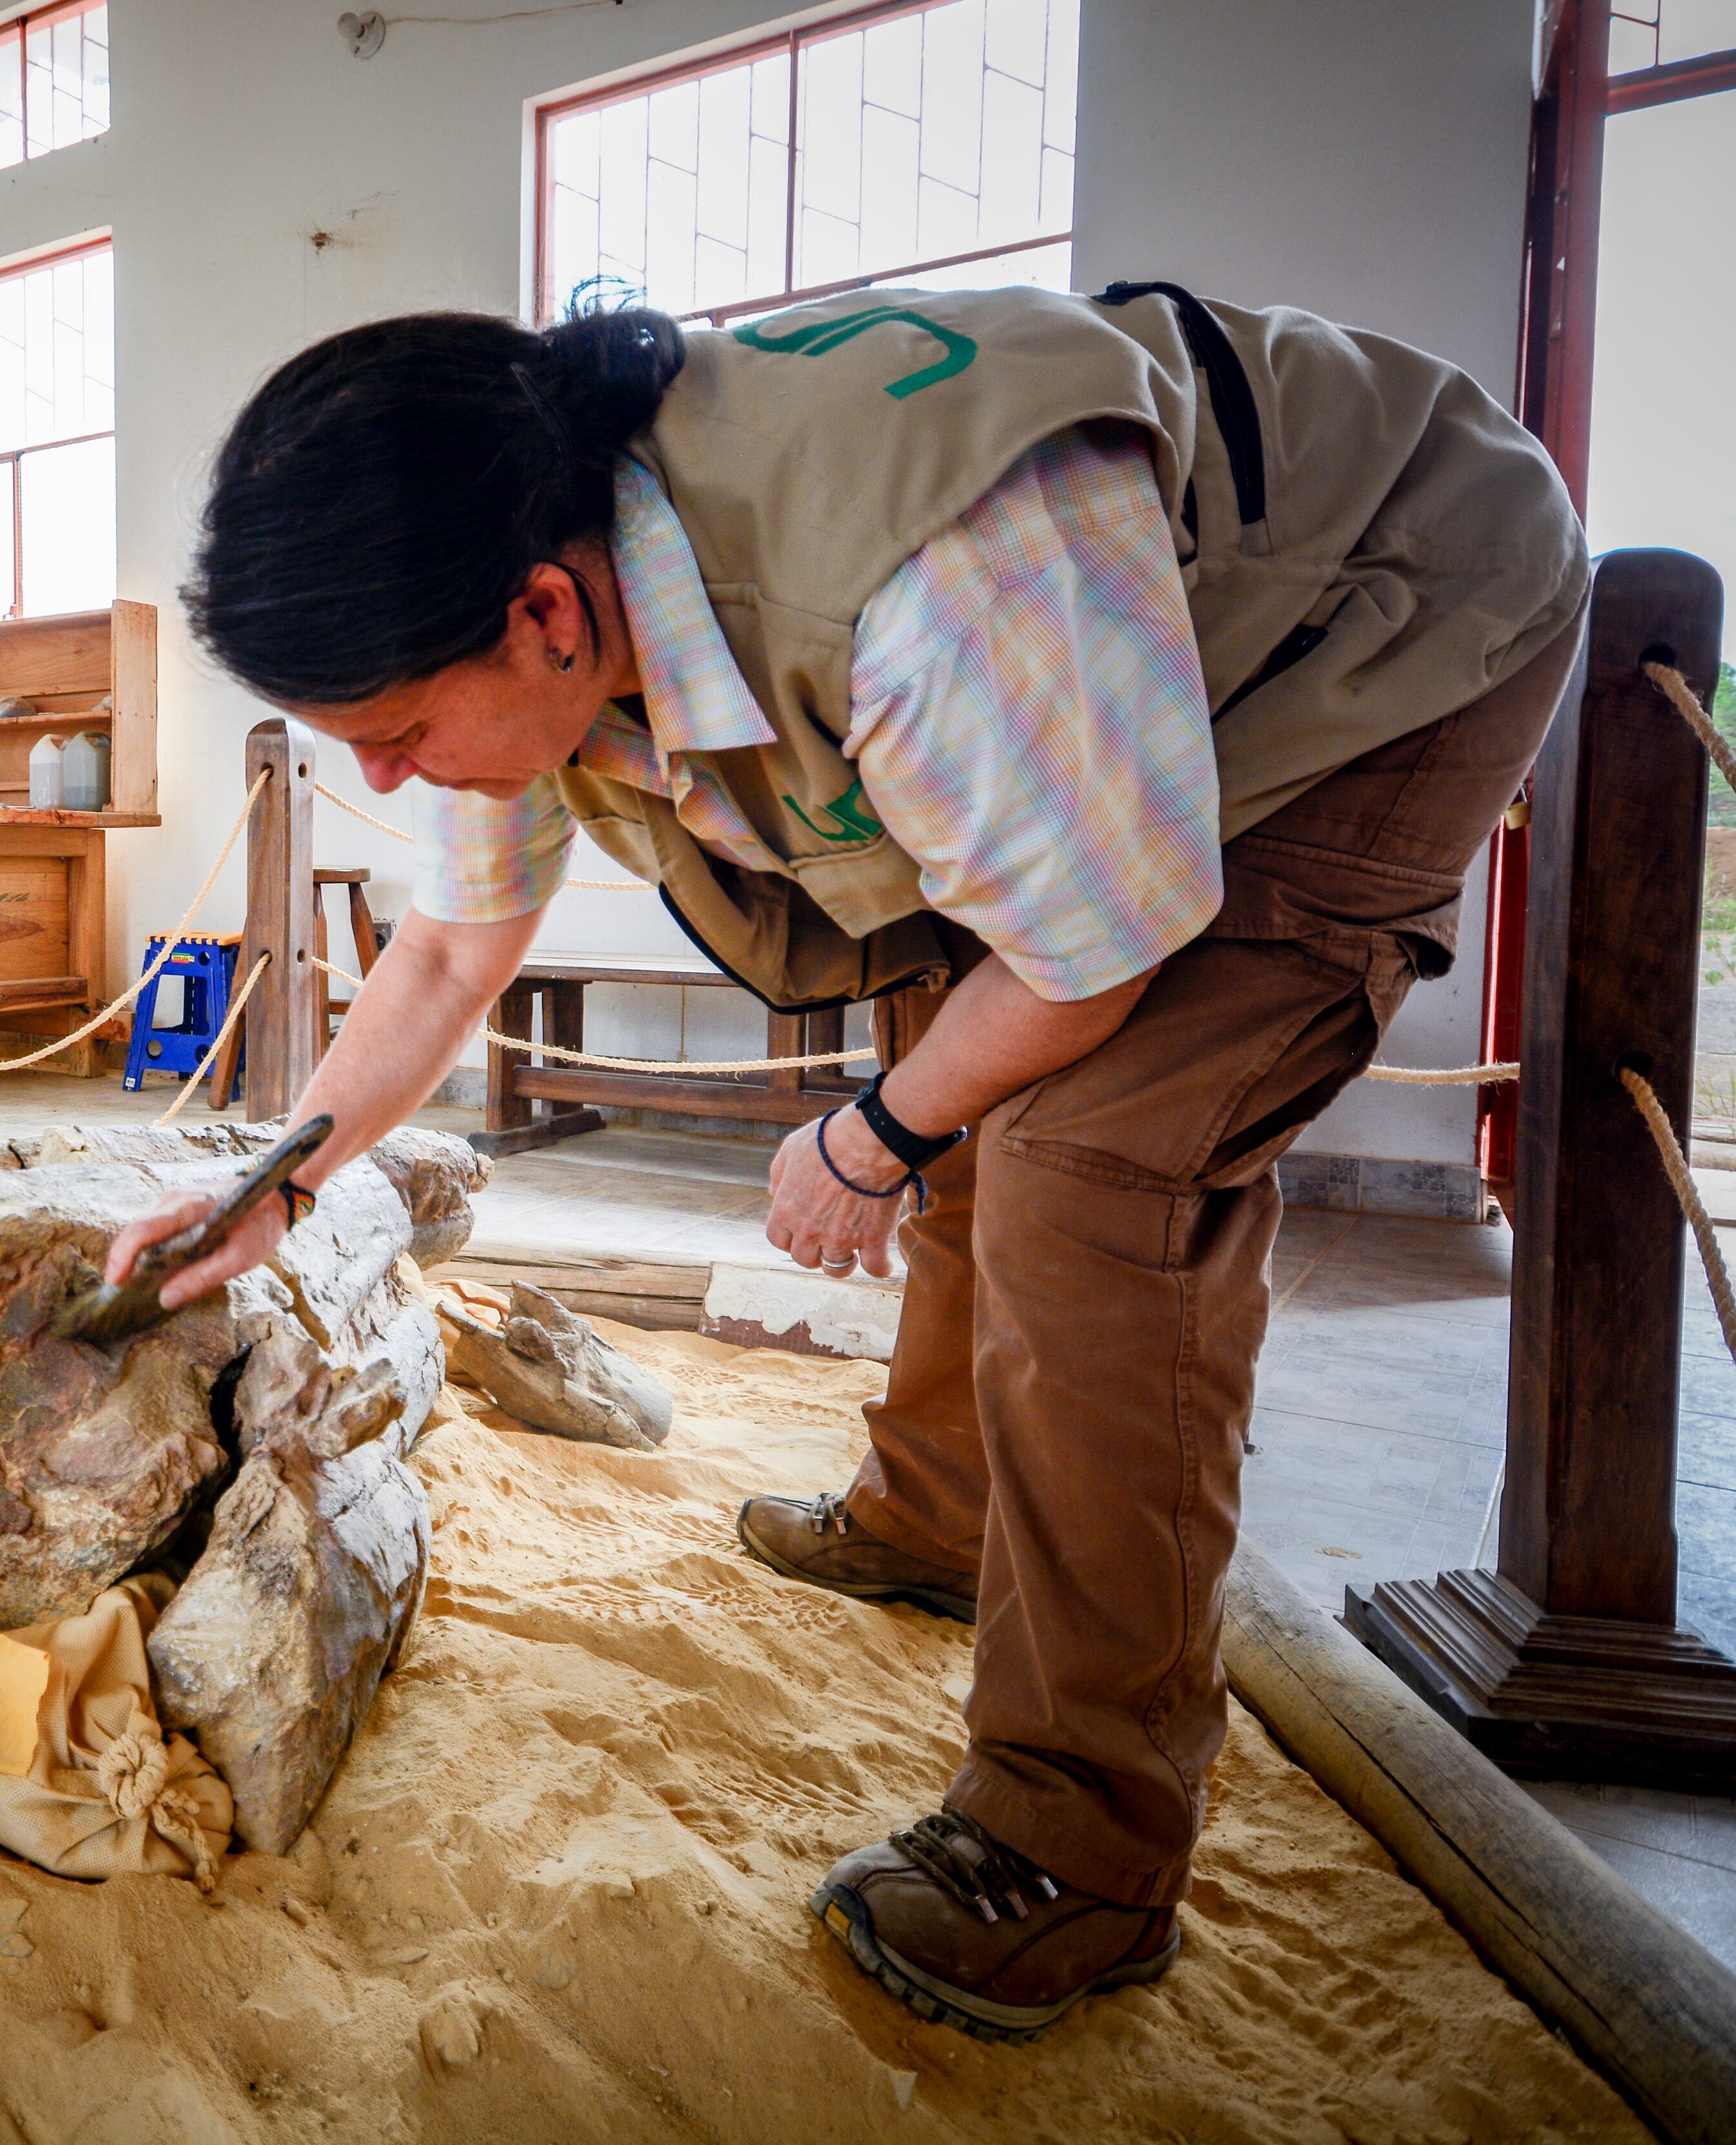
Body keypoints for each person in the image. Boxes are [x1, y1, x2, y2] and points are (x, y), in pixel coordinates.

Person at [105, 285, 1587, 2041]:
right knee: (970, 1062)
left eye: (398, 729)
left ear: (547, 613)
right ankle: (942, 1514)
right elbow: (446, 950)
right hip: (1104, 672)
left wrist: (872, 1138)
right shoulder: (519, 576)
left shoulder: (922, 590)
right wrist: (272, 1182)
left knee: (1095, 1169)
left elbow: (1095, 956)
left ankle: (1080, 1844)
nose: (384, 768)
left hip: (1390, 618)